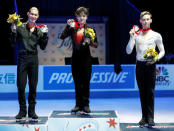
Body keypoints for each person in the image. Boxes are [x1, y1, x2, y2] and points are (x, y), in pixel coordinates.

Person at [126, 11, 165, 127]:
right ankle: (144, 117)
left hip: (151, 65)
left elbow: (162, 51)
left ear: (151, 20)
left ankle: (150, 117)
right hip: (139, 66)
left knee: (150, 92)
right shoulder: (136, 35)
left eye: (147, 19)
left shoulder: (156, 35)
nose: (145, 21)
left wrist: (156, 58)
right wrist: (131, 37)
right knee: (142, 92)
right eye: (143, 19)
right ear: (140, 21)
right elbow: (128, 51)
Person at [10, 7, 48, 121]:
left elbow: (43, 46)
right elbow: (12, 43)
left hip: (33, 59)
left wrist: (45, 35)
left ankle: (32, 111)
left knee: (33, 86)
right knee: (21, 86)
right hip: (22, 58)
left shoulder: (39, 30)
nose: (33, 16)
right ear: (27, 14)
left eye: (36, 15)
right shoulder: (20, 27)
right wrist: (13, 31)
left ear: (38, 16)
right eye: (32, 14)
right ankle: (22, 111)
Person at [59, 7, 98, 114]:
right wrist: (67, 25)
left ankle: (85, 105)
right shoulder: (72, 28)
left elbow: (96, 45)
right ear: (76, 17)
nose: (81, 18)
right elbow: (62, 36)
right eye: (79, 16)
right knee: (77, 83)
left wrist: (90, 42)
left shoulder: (90, 30)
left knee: (86, 83)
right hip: (75, 59)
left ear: (87, 17)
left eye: (84, 16)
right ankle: (77, 105)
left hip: (86, 59)